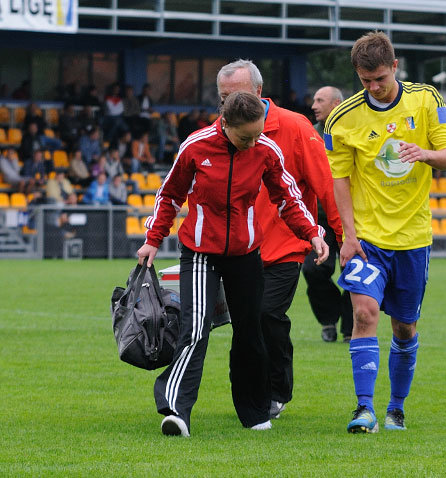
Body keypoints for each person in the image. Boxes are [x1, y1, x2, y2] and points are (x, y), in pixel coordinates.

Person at [136, 91, 329, 437]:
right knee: (195, 329)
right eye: (245, 137)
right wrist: (153, 239)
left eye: (258, 135)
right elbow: (170, 195)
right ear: (225, 124)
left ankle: (254, 412)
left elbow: (288, 197)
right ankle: (176, 410)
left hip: (245, 254)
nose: (253, 142)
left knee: (250, 332)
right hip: (199, 251)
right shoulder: (195, 147)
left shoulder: (266, 151)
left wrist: (312, 233)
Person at [325, 31, 446, 433]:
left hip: (413, 238)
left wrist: (425, 154)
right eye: (365, 81)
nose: (374, 88)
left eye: (380, 78)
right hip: (367, 239)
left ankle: (396, 407)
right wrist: (348, 235)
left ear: (395, 66)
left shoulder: (427, 99)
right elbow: (340, 180)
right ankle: (363, 408)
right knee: (364, 314)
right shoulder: (342, 118)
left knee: (404, 327)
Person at [216, 59, 344, 419]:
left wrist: (343, 236)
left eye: (236, 95)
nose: (228, 105)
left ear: (258, 93)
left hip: (286, 243)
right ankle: (250, 392)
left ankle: (276, 391)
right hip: (240, 249)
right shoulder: (217, 131)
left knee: (267, 313)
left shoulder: (295, 127)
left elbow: (325, 185)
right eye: (223, 97)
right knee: (246, 323)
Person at [302, 85, 352, 343]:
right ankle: (330, 317)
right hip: (319, 217)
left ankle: (350, 329)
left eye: (320, 100)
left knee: (354, 270)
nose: (313, 105)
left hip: (351, 215)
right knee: (312, 270)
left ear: (336, 104)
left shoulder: (354, 130)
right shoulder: (310, 134)